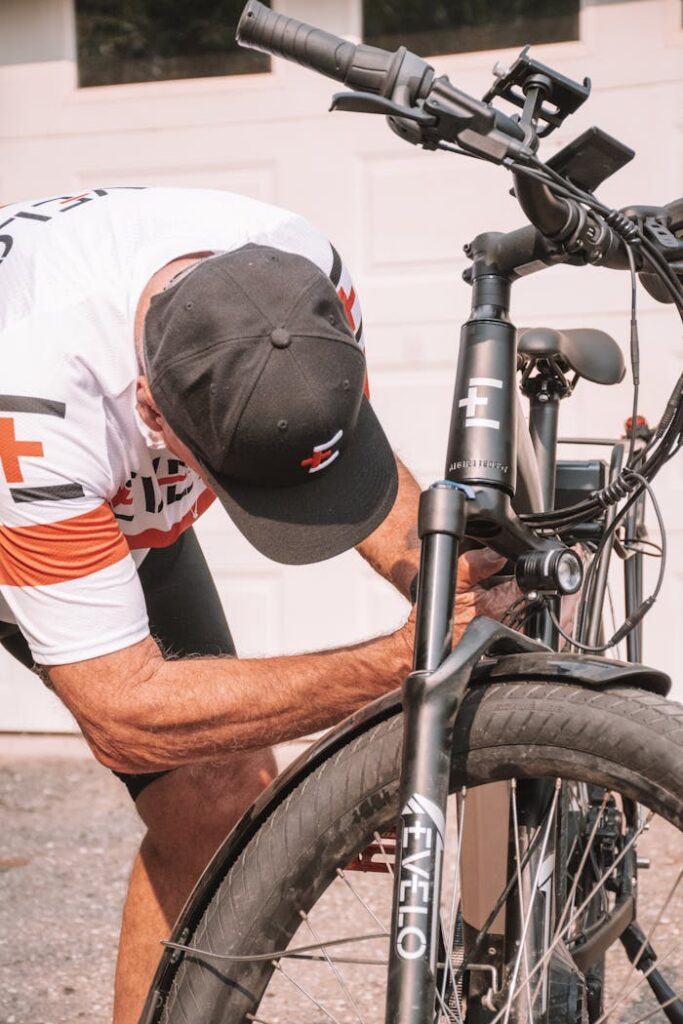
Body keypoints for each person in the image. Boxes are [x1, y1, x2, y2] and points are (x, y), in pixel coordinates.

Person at [0, 185, 516, 1023]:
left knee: (219, 798)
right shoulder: (38, 397)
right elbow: (123, 711)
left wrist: (443, 585)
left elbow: (328, 451)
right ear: (151, 413)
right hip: (25, 486)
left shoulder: (296, 274)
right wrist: (394, 666)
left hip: (109, 496)